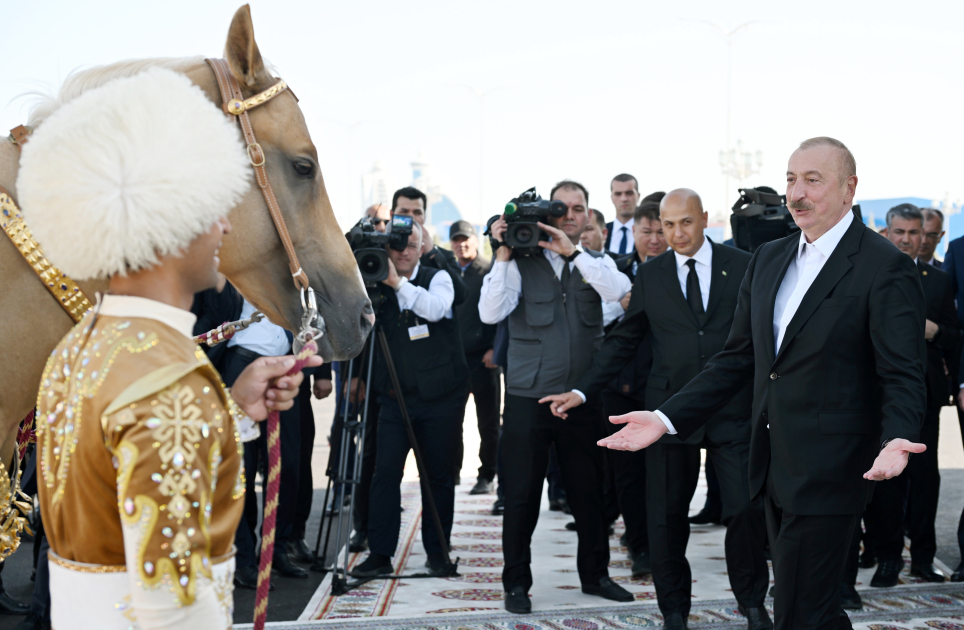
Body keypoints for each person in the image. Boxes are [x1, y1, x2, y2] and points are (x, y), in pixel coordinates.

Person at [20, 68, 317, 628]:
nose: (226, 227)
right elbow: (174, 606)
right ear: (171, 222)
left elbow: (123, 467)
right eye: (213, 207)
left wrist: (234, 407)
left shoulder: (79, 348)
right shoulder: (169, 377)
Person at [594, 137, 927, 630]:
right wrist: (666, 418)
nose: (797, 193)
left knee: (799, 610)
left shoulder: (884, 265)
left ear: (848, 188)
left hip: (833, 470)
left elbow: (901, 371)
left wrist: (897, 436)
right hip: (766, 466)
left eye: (813, 180)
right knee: (813, 609)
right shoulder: (769, 258)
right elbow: (738, 360)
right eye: (792, 179)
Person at [542, 189, 770, 630]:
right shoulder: (651, 275)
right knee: (665, 517)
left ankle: (752, 602)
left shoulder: (743, 265)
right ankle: (674, 610)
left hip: (732, 409)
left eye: (685, 222)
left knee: (743, 508)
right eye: (667, 225)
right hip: (665, 415)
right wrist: (583, 390)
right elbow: (624, 340)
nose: (676, 233)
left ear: (704, 219)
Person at [480, 180, 633, 614]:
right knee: (523, 498)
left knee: (589, 494)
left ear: (588, 215)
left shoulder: (595, 263)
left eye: (578, 208)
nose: (569, 214)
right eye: (560, 207)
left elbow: (617, 294)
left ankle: (596, 576)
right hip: (530, 400)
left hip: (581, 400)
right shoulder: (518, 260)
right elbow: (490, 311)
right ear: (547, 213)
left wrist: (573, 253)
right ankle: (516, 584)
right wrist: (504, 253)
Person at [843, 203, 958, 599]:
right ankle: (886, 553)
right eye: (900, 232)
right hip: (876, 394)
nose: (908, 239)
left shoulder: (939, 282)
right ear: (887, 232)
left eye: (914, 232)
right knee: (884, 481)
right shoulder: (868, 271)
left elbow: (955, 336)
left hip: (924, 393)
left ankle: (922, 558)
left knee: (925, 478)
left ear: (923, 234)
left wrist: (935, 330)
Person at [350, 221, 470, 577]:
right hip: (393, 398)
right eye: (397, 245)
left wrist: (396, 283)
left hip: (441, 399)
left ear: (422, 248)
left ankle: (437, 552)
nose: (403, 251)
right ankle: (380, 554)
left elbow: (435, 309)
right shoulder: (372, 282)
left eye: (411, 245)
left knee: (437, 476)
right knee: (384, 475)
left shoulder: (438, 277)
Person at [451, 220, 501, 495]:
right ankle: (453, 471)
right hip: (455, 361)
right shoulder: (447, 272)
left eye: (466, 238)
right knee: (451, 420)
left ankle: (487, 475)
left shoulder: (489, 270)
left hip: (484, 359)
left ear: (475, 240)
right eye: (457, 240)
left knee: (488, 421)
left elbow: (499, 313)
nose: (462, 244)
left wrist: (494, 348)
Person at [605, 174, 640, 255]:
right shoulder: (601, 232)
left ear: (638, 196)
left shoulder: (647, 232)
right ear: (611, 198)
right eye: (618, 194)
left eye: (629, 193)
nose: (624, 199)